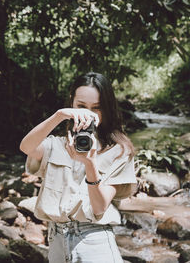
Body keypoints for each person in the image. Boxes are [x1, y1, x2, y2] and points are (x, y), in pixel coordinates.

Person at [19, 72, 137, 263]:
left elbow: (99, 207)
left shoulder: (118, 151)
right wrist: (59, 116)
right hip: (56, 240)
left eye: (97, 108)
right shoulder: (55, 145)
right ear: (71, 104)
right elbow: (26, 147)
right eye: (81, 106)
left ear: (107, 109)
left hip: (94, 240)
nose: (88, 114)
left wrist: (90, 164)